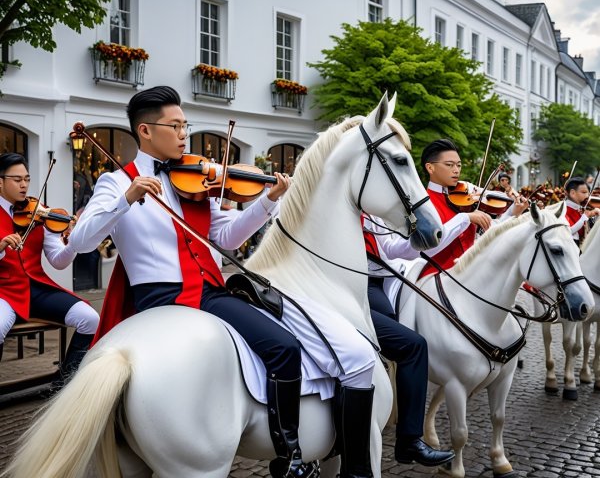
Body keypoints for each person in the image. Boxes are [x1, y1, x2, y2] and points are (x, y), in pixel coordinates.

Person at [69, 86, 377, 478]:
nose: (184, 134)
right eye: (176, 125)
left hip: (209, 292)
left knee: (282, 345)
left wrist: (267, 202)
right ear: (145, 131)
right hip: (160, 297)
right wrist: (126, 199)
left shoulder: (197, 182)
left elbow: (228, 238)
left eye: (185, 125)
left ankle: (290, 454)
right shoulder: (114, 183)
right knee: (283, 347)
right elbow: (82, 241)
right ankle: (293, 456)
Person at [362, 214, 455, 467]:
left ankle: (408, 438)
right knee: (411, 345)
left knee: (408, 342)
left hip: (383, 280)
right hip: (355, 283)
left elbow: (389, 249)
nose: (457, 170)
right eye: (451, 168)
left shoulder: (371, 211)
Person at [0, 152, 99, 386]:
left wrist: (73, 242)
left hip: (36, 288)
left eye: (27, 179)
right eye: (17, 179)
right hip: (3, 292)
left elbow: (58, 261)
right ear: (0, 181)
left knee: (91, 319)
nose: (24, 185)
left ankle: (64, 384)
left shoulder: (40, 212)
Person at [419, 139, 527, 277]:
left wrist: (513, 212)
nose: (456, 170)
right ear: (430, 168)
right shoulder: (423, 204)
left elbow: (491, 231)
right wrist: (465, 218)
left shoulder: (466, 196)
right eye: (449, 165)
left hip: (469, 278)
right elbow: (427, 247)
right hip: (435, 280)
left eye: (459, 165)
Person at [564, 176, 600, 245]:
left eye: (588, 193)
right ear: (573, 193)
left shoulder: (580, 208)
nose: (587, 196)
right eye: (584, 192)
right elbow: (569, 231)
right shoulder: (563, 209)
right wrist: (585, 216)